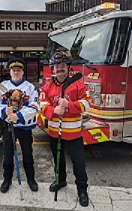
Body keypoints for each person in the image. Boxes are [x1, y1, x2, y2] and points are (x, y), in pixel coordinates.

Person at [38, 51, 90, 207]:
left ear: (68, 67)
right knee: (58, 160)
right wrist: (53, 111)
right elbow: (42, 105)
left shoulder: (78, 84)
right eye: (56, 66)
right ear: (53, 69)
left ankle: (82, 190)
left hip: (74, 134)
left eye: (62, 65)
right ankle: (60, 181)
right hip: (55, 133)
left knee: (79, 163)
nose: (59, 69)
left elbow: (87, 103)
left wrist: (70, 105)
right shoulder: (47, 87)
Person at [0, 58, 39, 193]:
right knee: (7, 155)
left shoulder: (30, 87)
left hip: (24, 128)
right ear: (10, 72)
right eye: (13, 70)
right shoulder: (2, 86)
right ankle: (7, 180)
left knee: (28, 155)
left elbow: (35, 106)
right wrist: (4, 111)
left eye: (19, 70)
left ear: (23, 72)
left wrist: (18, 116)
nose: (16, 72)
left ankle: (31, 179)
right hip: (8, 128)